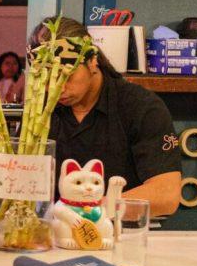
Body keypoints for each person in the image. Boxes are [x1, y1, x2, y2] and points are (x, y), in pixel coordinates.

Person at [32, 17, 182, 218]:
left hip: (120, 232)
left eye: (64, 76)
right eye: (45, 78)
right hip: (53, 234)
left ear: (92, 61)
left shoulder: (141, 106)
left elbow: (166, 195)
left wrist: (92, 212)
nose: (55, 88)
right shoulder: (37, 112)